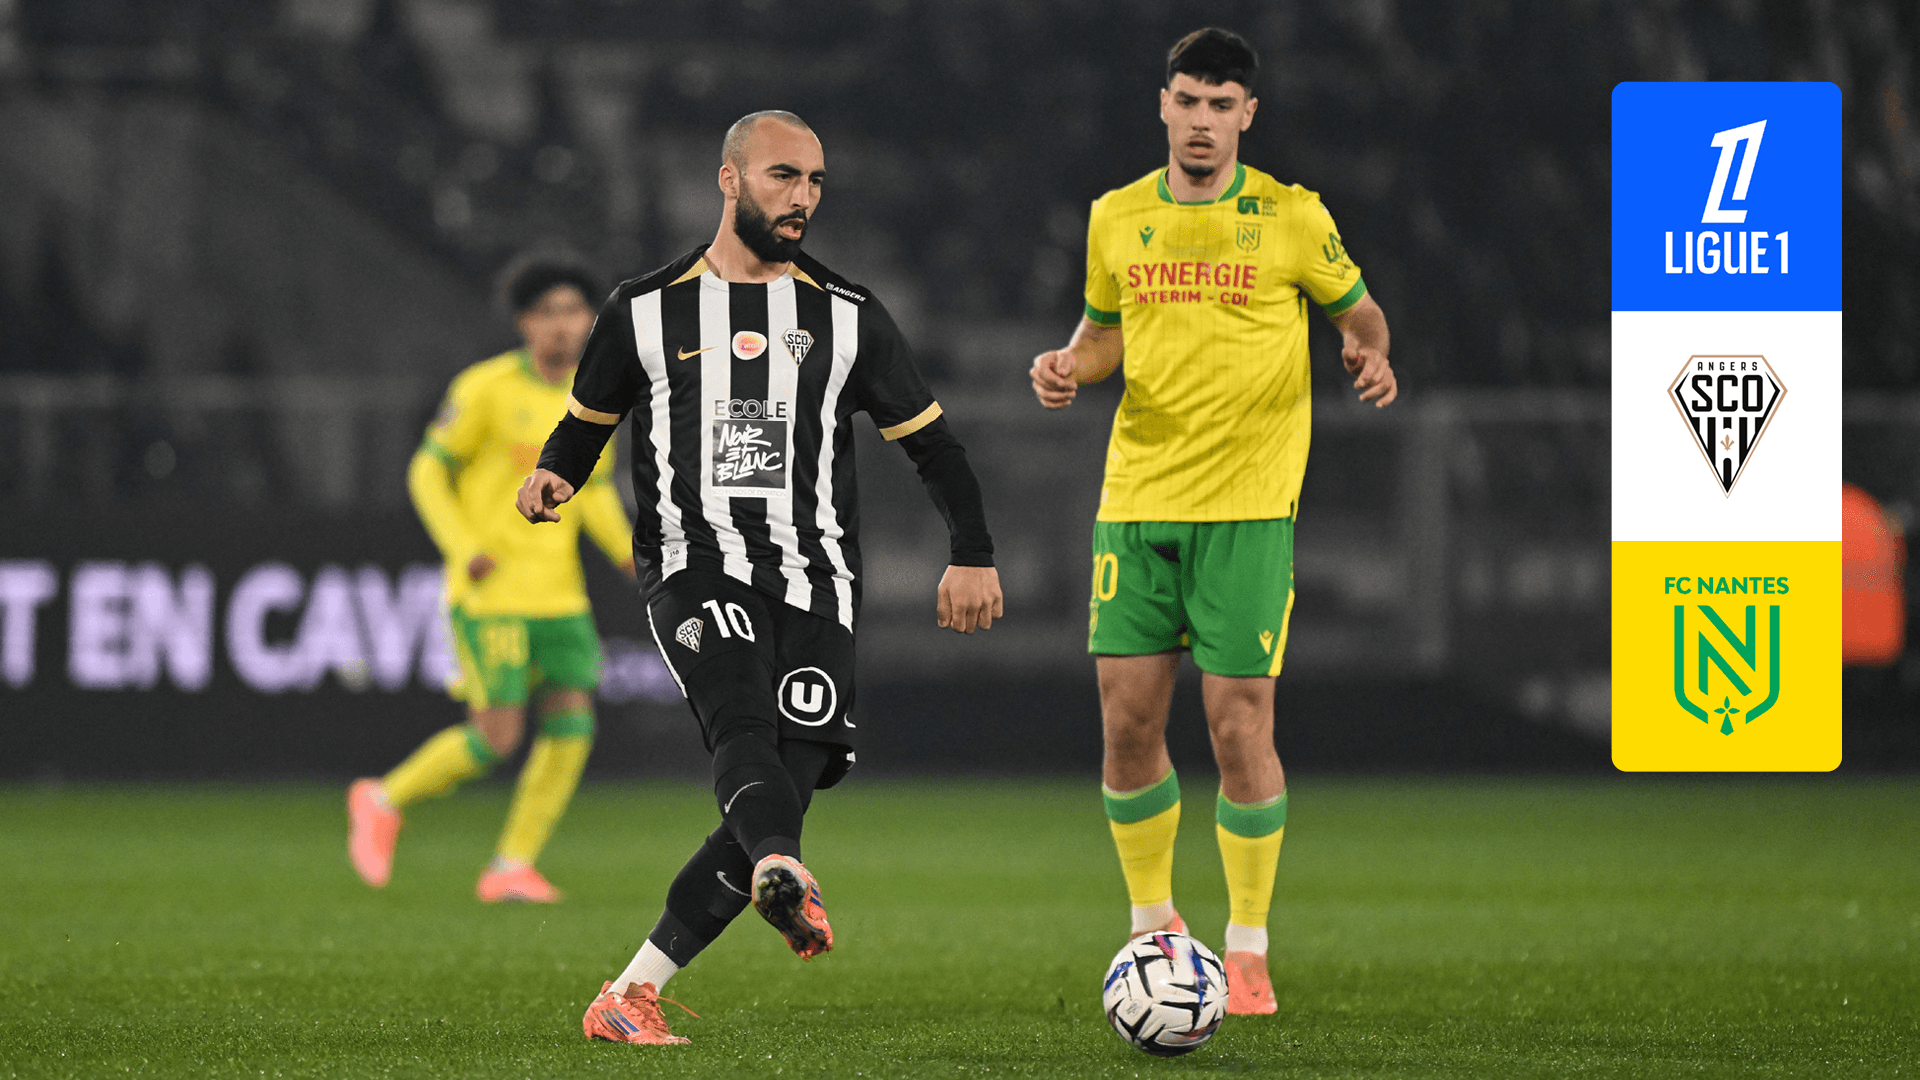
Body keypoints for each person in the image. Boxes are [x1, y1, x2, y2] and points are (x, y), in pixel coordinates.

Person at [517, 110, 1004, 1046]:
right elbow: (587, 420)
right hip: (692, 561)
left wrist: (972, 551)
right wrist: (555, 472)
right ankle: (781, 866)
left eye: (816, 181)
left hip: (817, 578)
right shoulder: (643, 309)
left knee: (789, 777)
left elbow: (934, 445)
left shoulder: (847, 315)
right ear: (730, 179)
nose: (803, 197)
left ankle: (633, 991)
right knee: (742, 725)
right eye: (784, 176)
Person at [1028, 28, 1398, 1017]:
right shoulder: (1117, 216)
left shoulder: (1291, 216)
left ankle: (1246, 947)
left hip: (1248, 507)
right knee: (1126, 725)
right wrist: (1067, 366)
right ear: (1164, 105)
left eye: (1220, 105)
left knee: (1239, 728)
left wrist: (1370, 353)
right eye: (1187, 101)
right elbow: (1101, 335)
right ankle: (1154, 925)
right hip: (1136, 501)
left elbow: (1359, 312)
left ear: (1247, 115)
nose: (1201, 121)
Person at [346, 254, 635, 904]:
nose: (562, 325)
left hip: (560, 593)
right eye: (548, 312)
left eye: (574, 311)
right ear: (524, 322)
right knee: (497, 736)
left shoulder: (593, 395)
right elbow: (427, 470)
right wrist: (463, 546)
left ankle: (511, 865)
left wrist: (626, 553)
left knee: (573, 723)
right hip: (494, 590)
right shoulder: (484, 388)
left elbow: (592, 490)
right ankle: (383, 797)